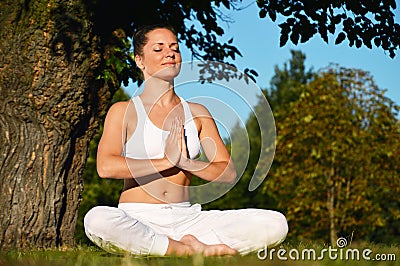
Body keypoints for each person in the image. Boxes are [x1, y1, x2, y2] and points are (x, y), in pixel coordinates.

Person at [84, 24, 288, 257]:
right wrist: (165, 161)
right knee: (97, 220)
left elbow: (227, 173)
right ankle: (184, 250)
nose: (170, 54)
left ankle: (171, 245)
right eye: (158, 49)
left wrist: (187, 163)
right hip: (138, 217)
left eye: (175, 48)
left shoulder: (197, 112)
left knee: (275, 224)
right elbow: (105, 166)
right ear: (140, 61)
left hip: (188, 219)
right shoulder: (124, 111)